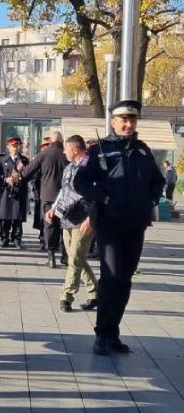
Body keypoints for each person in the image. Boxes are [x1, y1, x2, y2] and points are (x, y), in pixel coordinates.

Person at [73, 99, 165, 355]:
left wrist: (150, 200)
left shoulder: (143, 151)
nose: (127, 124)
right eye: (123, 120)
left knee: (124, 279)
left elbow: (157, 182)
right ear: (113, 122)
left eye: (132, 120)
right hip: (110, 224)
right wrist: (101, 196)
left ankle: (113, 333)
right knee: (111, 277)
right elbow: (80, 181)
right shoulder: (100, 150)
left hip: (135, 224)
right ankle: (102, 334)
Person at [44, 135, 98, 313]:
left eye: (66, 149)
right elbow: (64, 191)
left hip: (83, 220)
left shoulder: (91, 168)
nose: (64, 152)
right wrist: (54, 209)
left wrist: (91, 218)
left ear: (75, 149)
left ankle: (66, 296)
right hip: (66, 219)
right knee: (77, 258)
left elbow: (95, 195)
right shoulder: (69, 168)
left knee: (74, 259)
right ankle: (96, 293)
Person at [21, 130, 68, 267]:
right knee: (65, 225)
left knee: (50, 225)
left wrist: (21, 174)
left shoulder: (43, 154)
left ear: (50, 141)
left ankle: (51, 256)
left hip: (48, 196)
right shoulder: (67, 154)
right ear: (62, 140)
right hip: (65, 196)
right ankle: (65, 256)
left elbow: (27, 173)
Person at [0, 137, 29, 248]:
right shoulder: (1, 159)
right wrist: (5, 180)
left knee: (17, 217)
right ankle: (5, 238)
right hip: (5, 190)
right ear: (8, 146)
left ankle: (17, 239)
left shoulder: (24, 160)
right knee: (5, 217)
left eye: (18, 145)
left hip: (18, 191)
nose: (16, 148)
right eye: (13, 145)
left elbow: (29, 175)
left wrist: (21, 177)